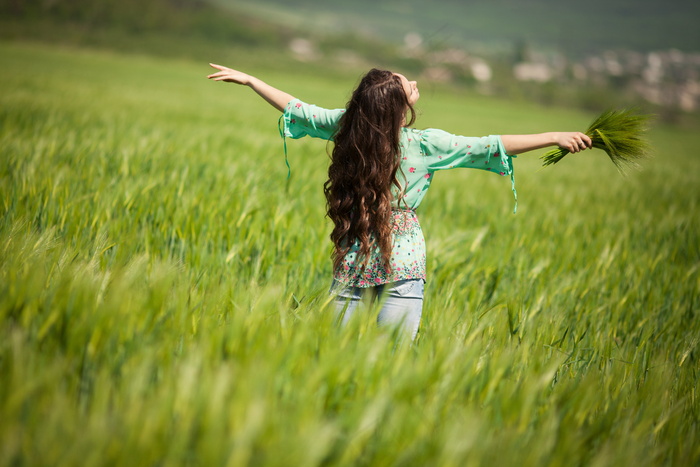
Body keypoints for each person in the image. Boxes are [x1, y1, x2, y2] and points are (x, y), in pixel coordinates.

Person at [207, 64, 592, 340]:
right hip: (402, 264)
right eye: (406, 84)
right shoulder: (426, 144)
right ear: (397, 107)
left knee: (335, 355)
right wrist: (553, 134)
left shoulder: (346, 129)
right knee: (392, 364)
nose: (414, 82)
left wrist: (252, 80)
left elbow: (296, 108)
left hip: (354, 256)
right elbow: (492, 145)